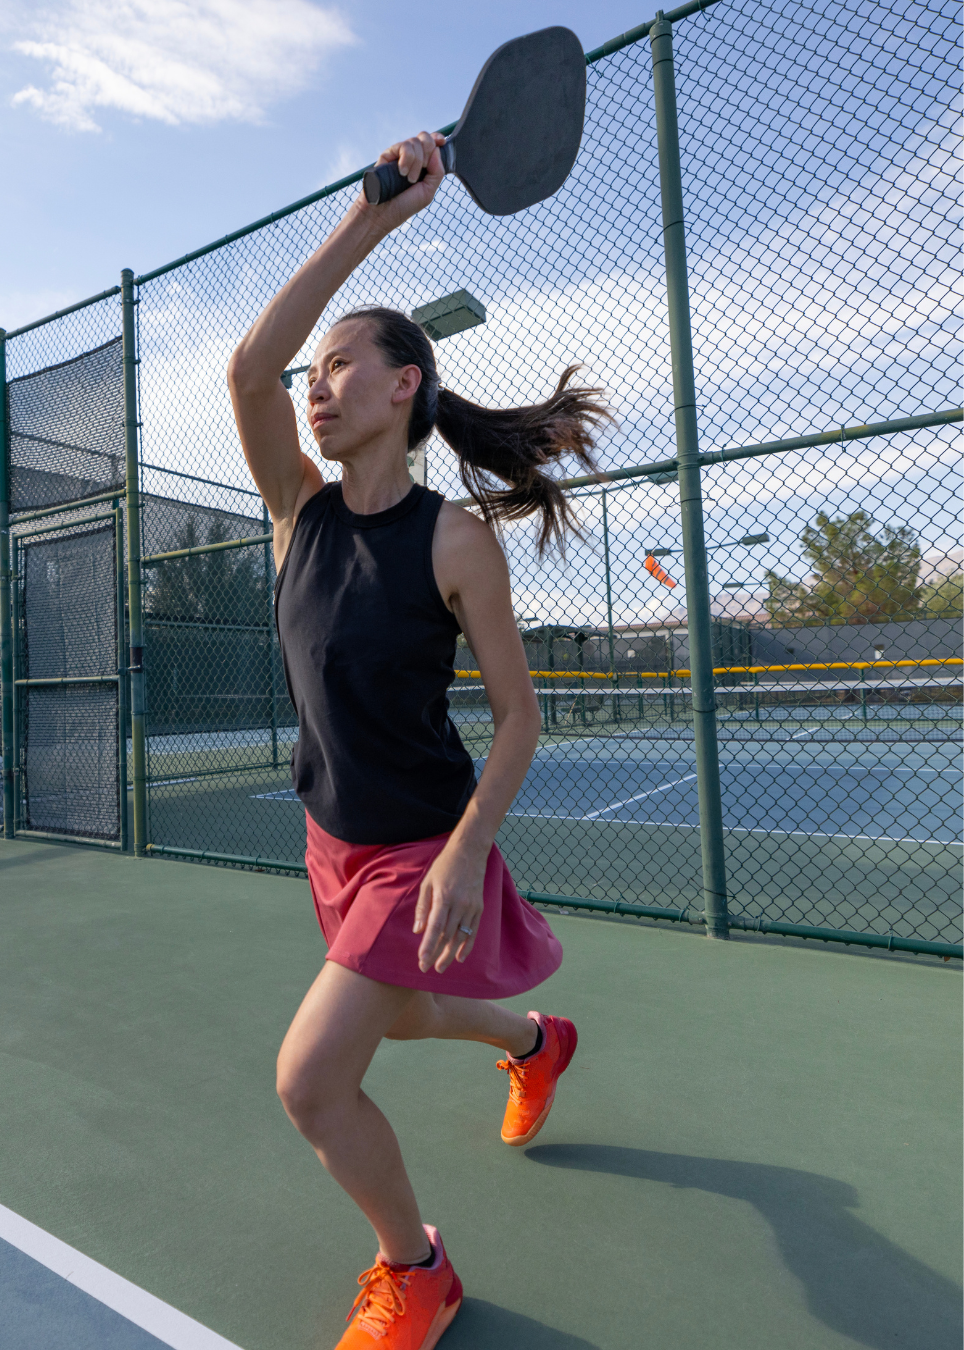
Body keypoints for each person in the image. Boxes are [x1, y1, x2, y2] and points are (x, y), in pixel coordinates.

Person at [227, 129, 613, 1350]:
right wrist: (371, 219)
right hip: (332, 837)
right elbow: (247, 367)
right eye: (312, 377)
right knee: (391, 1019)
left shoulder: (454, 542)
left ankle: (417, 1268)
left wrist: (465, 851)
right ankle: (533, 1043)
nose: (315, 386)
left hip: (418, 847)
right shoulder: (297, 509)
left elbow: (517, 715)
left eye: (343, 367)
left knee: (311, 1079)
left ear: (406, 387)